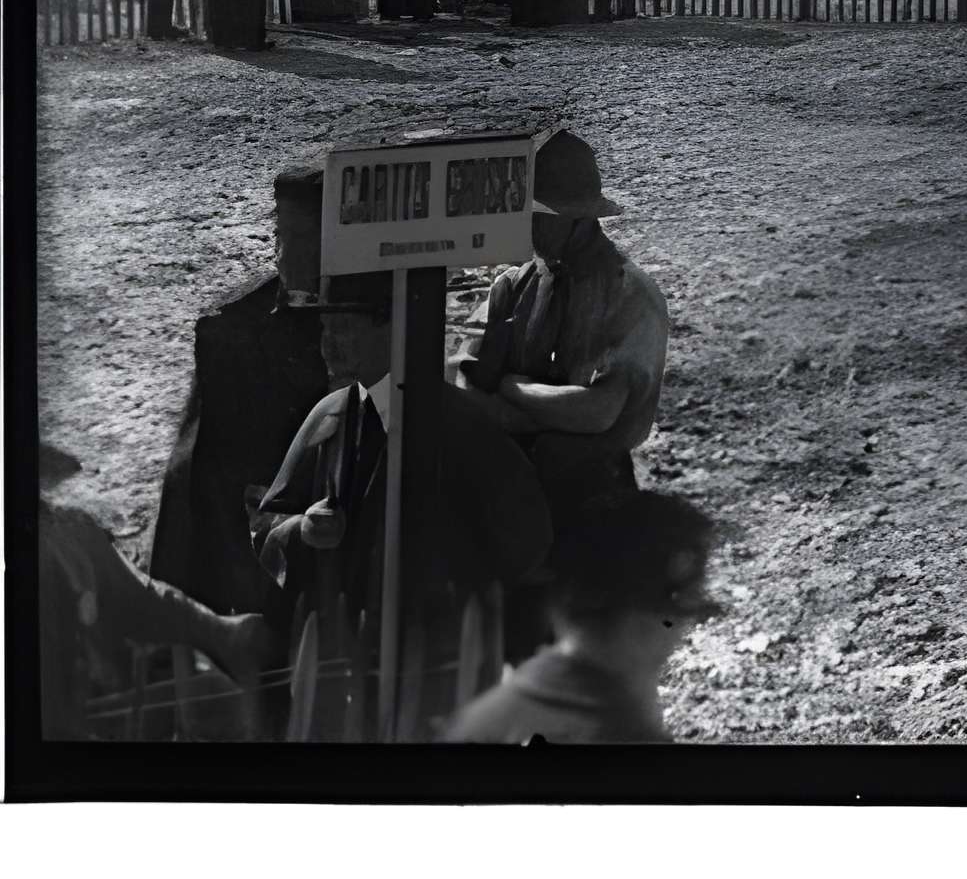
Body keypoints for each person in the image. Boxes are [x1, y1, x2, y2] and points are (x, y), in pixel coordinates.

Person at [252, 271, 554, 723]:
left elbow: (527, 545)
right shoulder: (328, 417)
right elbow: (266, 526)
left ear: (390, 328)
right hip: (345, 678)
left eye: (345, 327)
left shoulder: (462, 427)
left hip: (438, 678)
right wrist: (302, 530)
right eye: (325, 328)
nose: (329, 343)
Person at [452, 130, 672, 654]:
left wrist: (511, 390)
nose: (526, 226)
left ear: (576, 217)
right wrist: (538, 409)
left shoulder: (628, 293)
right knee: (518, 655)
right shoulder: (513, 285)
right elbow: (465, 384)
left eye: (538, 214)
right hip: (513, 501)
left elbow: (598, 413)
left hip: (593, 505)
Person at [145, 164, 335, 722]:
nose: (288, 253)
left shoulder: (375, 321)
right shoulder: (232, 331)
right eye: (284, 234)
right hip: (253, 560)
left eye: (309, 238)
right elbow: (192, 476)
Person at [446, 492, 725, 745]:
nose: (676, 638)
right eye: (677, 615)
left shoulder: (495, 712)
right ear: (642, 622)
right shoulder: (619, 729)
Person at [41, 442, 271, 741]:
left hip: (116, 708)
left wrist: (221, 630)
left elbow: (139, 598)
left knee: (218, 696)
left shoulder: (70, 531)